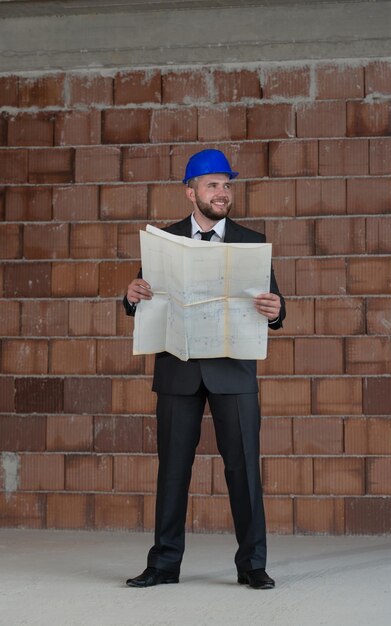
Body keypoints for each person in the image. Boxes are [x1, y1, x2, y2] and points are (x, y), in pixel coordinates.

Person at [123, 149, 286, 589]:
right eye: (213, 184)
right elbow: (142, 296)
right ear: (190, 191)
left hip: (233, 371)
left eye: (227, 185)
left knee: (244, 470)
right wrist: (132, 295)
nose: (222, 192)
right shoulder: (164, 240)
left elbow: (274, 304)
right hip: (177, 370)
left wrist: (275, 310)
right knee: (173, 468)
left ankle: (252, 564)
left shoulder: (251, 241)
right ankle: (163, 564)